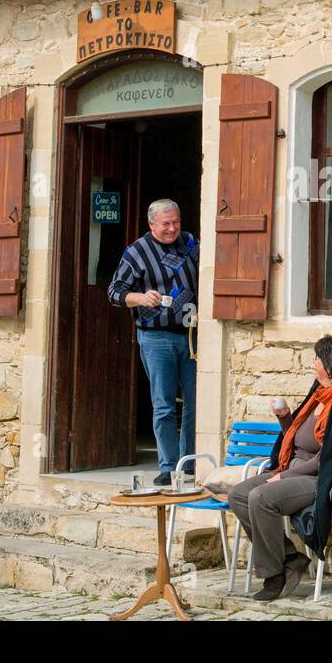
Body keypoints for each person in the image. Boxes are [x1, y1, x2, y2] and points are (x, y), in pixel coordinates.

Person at [228, 336, 332, 601]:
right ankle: (289, 558)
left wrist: (283, 476)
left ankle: (274, 575)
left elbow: (329, 460)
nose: (313, 363)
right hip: (293, 470)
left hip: (322, 479)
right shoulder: (318, 395)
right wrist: (285, 417)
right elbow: (297, 439)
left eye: (317, 359)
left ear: (330, 369)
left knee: (260, 497)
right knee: (238, 495)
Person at [107, 198, 198, 486]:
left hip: (193, 336)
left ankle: (190, 464)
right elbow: (114, 292)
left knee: (196, 403)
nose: (172, 229)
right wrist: (140, 298)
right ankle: (168, 467)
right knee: (164, 405)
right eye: (166, 224)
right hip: (155, 336)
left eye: (176, 222)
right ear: (151, 224)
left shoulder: (191, 243)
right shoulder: (137, 252)